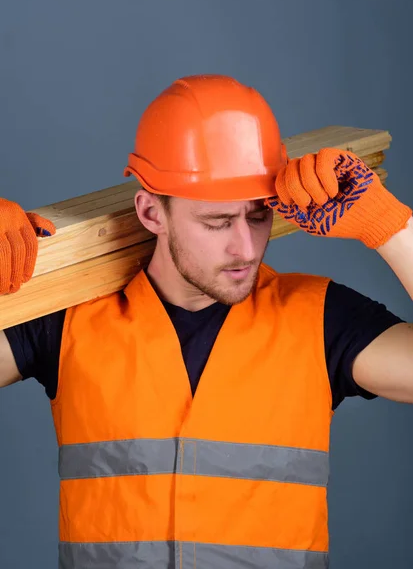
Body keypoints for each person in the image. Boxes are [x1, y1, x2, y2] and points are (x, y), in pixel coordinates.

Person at [0, 74, 412, 569]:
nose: (245, 247)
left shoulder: (321, 318)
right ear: (152, 212)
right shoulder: (66, 321)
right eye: (217, 222)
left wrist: (392, 228)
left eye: (258, 217)